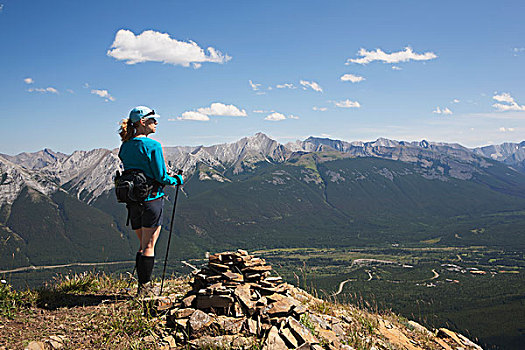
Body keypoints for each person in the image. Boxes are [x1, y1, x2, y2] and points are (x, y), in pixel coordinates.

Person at [118, 106, 183, 295]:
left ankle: (142, 284)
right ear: (142, 122)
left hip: (132, 200)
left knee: (143, 244)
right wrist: (177, 180)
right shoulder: (152, 145)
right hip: (151, 199)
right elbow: (161, 176)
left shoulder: (125, 146)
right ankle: (145, 289)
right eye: (153, 120)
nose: (156, 123)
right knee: (149, 245)